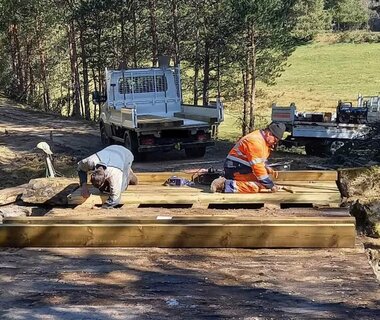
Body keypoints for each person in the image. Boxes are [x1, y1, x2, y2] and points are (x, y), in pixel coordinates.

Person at [211, 122, 286, 193]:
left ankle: (226, 181)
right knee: (256, 186)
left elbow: (259, 160)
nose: (275, 143)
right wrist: (270, 185)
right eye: (275, 140)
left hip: (242, 168)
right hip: (235, 169)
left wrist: (266, 167)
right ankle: (224, 185)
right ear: (269, 134)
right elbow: (257, 167)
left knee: (263, 183)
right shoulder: (255, 141)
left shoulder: (262, 141)